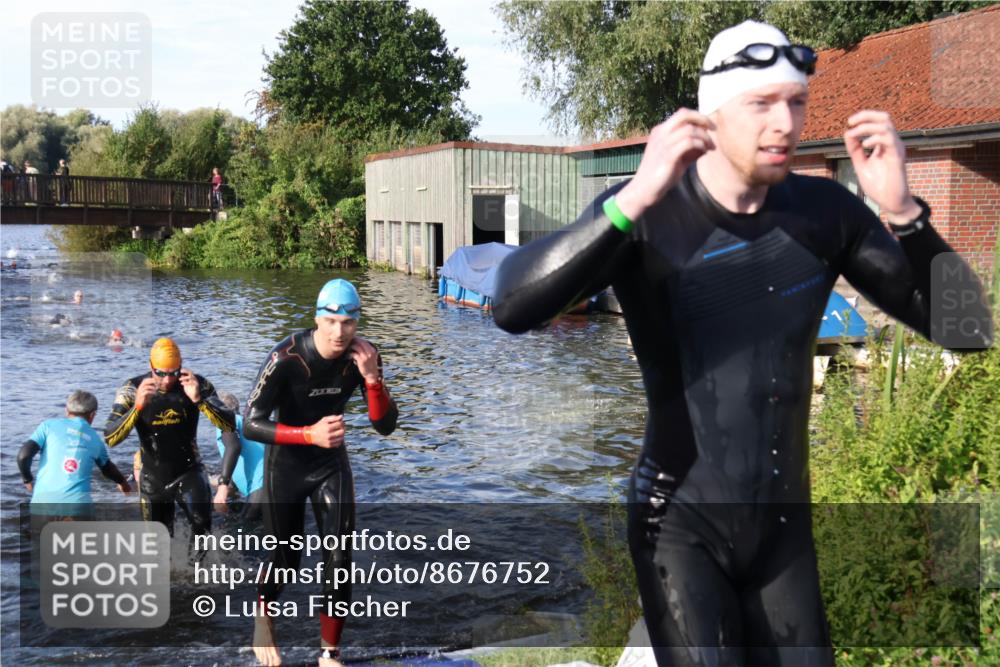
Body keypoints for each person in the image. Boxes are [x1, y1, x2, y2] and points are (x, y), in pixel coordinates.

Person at [492, 20, 992, 666]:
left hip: (782, 533)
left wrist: (905, 214)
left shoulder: (822, 214)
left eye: (797, 101)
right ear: (712, 115)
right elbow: (509, 304)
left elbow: (971, 330)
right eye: (761, 104)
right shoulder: (650, 215)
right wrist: (635, 195)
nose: (784, 122)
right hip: (678, 526)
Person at [244, 278, 398, 667]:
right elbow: (250, 423)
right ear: (317, 319)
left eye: (348, 322)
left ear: (357, 323)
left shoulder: (363, 356)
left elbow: (385, 426)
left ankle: (330, 652)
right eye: (331, 321)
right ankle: (264, 615)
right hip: (287, 464)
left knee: (339, 555)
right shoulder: (287, 356)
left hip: (330, 463)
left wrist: (373, 379)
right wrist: (307, 434)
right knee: (286, 555)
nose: (339, 331)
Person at [104, 338, 235, 556]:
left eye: (173, 373)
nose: (167, 380)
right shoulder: (132, 388)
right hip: (153, 477)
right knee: (158, 545)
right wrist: (136, 408)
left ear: (181, 364)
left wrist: (199, 400)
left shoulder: (196, 383)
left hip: (189, 470)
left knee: (202, 526)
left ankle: (198, 576)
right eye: (160, 373)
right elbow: (110, 437)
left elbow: (229, 424)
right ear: (150, 366)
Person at [18, 390, 131, 520]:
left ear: (66, 410)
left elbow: (23, 456)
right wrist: (123, 483)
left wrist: (27, 479)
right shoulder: (95, 439)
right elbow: (108, 469)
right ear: (92, 415)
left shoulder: (47, 426)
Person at [213, 391, 265, 523]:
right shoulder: (245, 424)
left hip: (260, 488)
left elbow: (234, 448)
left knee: (244, 533)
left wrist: (222, 487)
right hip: (273, 484)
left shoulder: (225, 421)